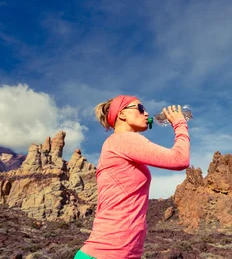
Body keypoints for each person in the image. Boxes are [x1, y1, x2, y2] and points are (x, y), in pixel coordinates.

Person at [74, 95, 191, 259]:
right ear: (122, 114)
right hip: (107, 253)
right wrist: (179, 123)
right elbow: (180, 159)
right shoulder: (123, 140)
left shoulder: (116, 144)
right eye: (140, 108)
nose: (146, 113)